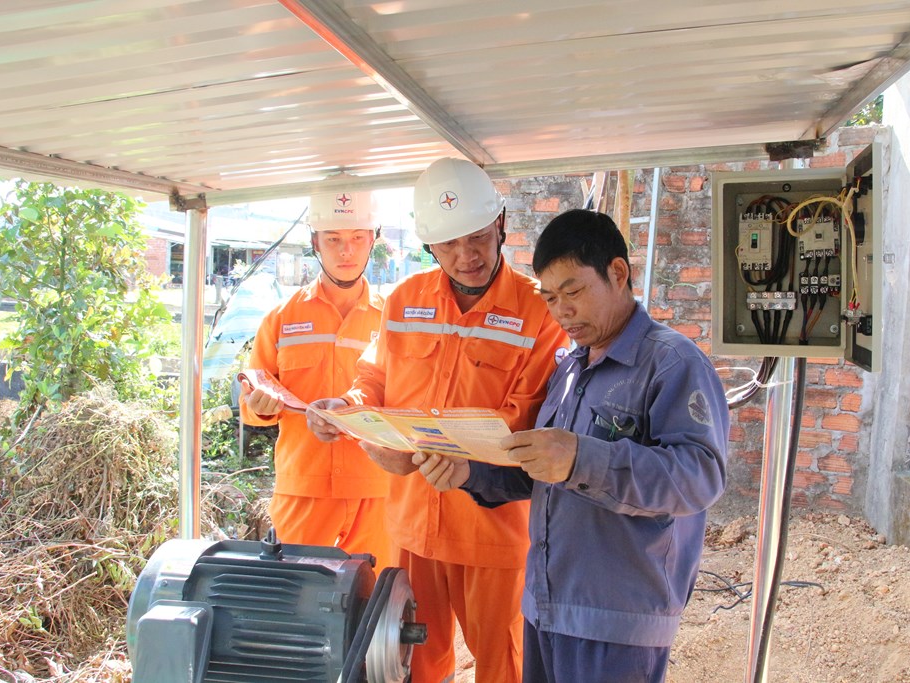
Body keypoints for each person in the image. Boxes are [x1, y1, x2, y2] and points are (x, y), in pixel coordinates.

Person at [414, 209, 730, 683]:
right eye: (549, 298)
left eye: (573, 291)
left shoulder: (671, 363)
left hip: (617, 620)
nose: (561, 310)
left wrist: (581, 458)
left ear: (617, 273)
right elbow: (542, 470)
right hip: (546, 607)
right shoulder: (571, 368)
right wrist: (470, 473)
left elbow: (699, 476)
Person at [307, 158, 570, 683]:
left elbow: (522, 416)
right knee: (414, 667)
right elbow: (374, 377)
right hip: (412, 530)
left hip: (492, 532)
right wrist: (349, 407)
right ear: (429, 245)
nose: (466, 256)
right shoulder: (405, 299)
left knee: (504, 667)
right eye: (448, 245)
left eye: (477, 238)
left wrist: (424, 452)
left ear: (500, 224)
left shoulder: (538, 311)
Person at [239, 191, 393, 568]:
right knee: (297, 596)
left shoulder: (392, 320)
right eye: (334, 239)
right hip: (302, 491)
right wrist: (260, 407)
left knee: (377, 598)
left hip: (377, 489)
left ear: (373, 240)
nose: (346, 251)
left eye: (357, 238)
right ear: (315, 242)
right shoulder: (281, 319)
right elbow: (250, 401)